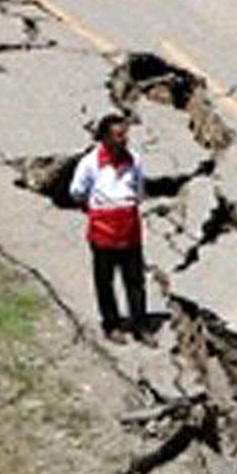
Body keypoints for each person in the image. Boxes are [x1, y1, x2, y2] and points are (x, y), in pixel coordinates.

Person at [69, 114, 157, 346]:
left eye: (125, 135)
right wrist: (94, 208)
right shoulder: (90, 163)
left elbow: (139, 189)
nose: (124, 140)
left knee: (135, 280)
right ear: (106, 138)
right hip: (103, 229)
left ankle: (140, 325)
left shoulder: (134, 160)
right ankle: (112, 324)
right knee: (105, 280)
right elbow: (77, 191)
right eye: (118, 136)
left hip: (129, 228)